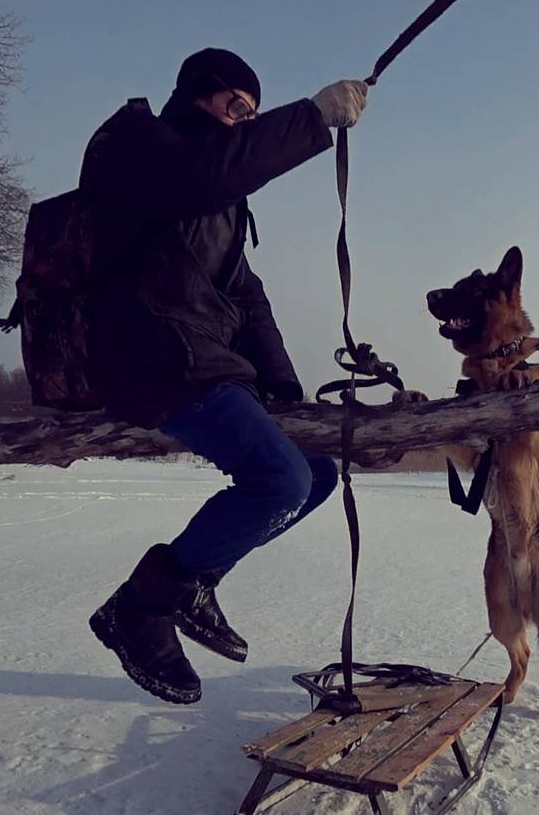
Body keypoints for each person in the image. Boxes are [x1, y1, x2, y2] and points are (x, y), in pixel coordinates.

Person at [81, 48, 369, 704]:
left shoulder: (217, 198)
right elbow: (197, 174)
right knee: (281, 479)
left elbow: (245, 295)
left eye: (252, 114)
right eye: (235, 107)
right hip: (148, 356)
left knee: (315, 473)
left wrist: (287, 391)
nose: (243, 123)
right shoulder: (140, 144)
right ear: (196, 95)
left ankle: (192, 581)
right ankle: (140, 608)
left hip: (202, 358)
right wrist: (310, 121)